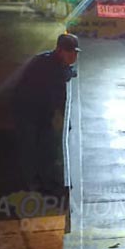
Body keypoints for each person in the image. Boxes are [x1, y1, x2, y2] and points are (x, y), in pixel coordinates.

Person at [12, 33, 79, 193]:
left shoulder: (55, 62)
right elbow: (55, 94)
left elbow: (66, 73)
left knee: (46, 146)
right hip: (28, 111)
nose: (74, 56)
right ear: (60, 50)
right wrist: (62, 120)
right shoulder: (45, 65)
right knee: (30, 147)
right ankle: (30, 182)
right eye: (70, 52)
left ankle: (46, 180)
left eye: (75, 52)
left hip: (42, 111)